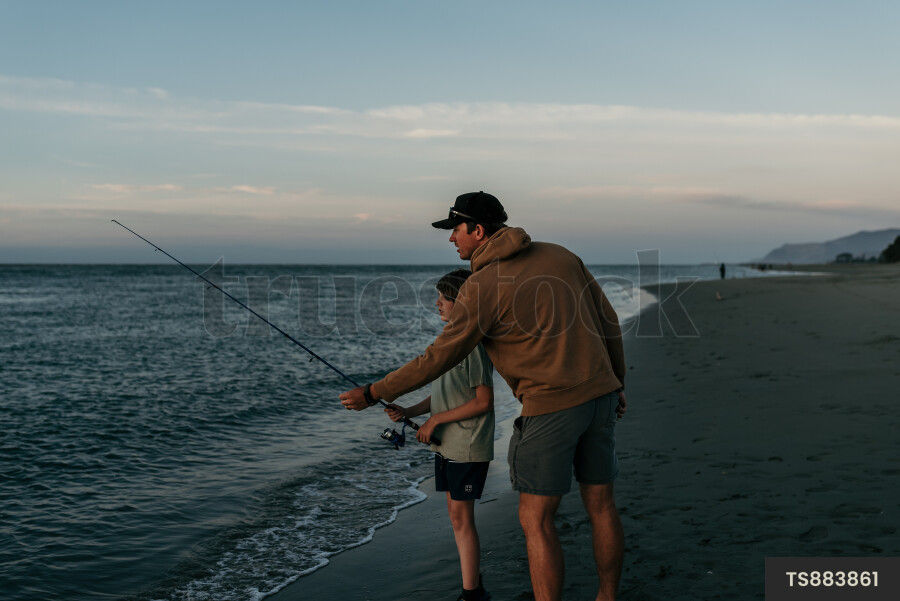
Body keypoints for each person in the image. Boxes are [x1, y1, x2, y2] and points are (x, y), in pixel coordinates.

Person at [340, 191, 628, 601]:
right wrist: (618, 382)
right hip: (600, 396)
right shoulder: (561, 255)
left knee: (536, 520)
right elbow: (608, 320)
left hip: (550, 409)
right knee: (602, 507)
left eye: (456, 229)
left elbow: (439, 356)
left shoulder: (482, 286)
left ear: (478, 229)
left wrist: (374, 392)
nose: (452, 238)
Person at [385, 268, 495, 601]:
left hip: (468, 445)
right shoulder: (447, 344)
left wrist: (435, 422)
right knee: (455, 515)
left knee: (462, 518)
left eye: (444, 298)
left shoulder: (472, 347)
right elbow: (444, 392)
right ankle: (473, 584)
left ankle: (471, 594)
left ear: (461, 304)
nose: (438, 304)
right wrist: (411, 413)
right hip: (449, 445)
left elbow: (483, 401)